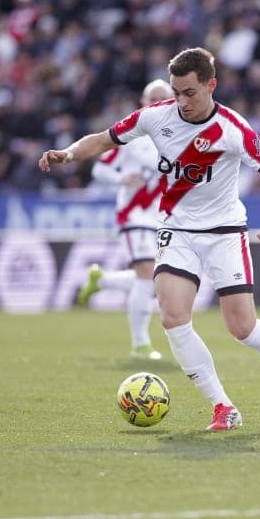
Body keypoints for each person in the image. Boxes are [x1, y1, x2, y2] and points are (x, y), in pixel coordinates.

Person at [40, 47, 260, 431]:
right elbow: (103, 139)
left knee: (241, 328)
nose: (181, 101)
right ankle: (223, 406)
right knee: (173, 317)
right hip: (176, 230)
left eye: (190, 93)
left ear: (211, 85)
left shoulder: (232, 129)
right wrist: (68, 154)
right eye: (176, 92)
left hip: (224, 233)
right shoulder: (155, 117)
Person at [76, 79, 175, 362]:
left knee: (157, 278)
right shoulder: (132, 135)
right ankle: (140, 344)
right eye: (153, 99)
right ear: (143, 103)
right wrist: (121, 178)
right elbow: (99, 170)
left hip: (163, 217)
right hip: (134, 213)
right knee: (147, 273)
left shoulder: (178, 137)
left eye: (164, 98)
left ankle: (102, 280)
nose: (158, 103)